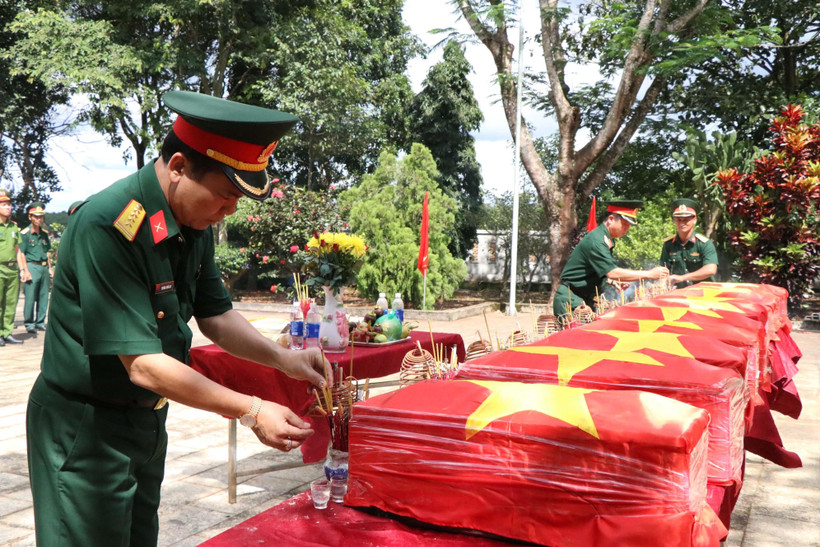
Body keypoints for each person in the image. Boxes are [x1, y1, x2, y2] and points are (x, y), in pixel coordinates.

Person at [26, 90, 331, 547]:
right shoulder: (110, 225)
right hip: (85, 431)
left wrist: (283, 359)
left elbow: (216, 316)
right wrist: (251, 409)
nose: (230, 211)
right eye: (226, 196)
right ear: (178, 168)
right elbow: (143, 363)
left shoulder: (191, 222)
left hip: (145, 423)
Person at [553, 200, 669, 319]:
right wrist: (649, 274)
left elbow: (591, 270)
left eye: (629, 226)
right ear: (611, 219)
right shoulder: (597, 241)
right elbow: (612, 272)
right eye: (624, 224)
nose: (627, 229)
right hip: (571, 299)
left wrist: (612, 282)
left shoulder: (605, 239)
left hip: (583, 299)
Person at [660, 198, 718, 288]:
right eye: (679, 219)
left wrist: (682, 278)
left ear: (694, 220)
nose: (682, 223)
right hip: (679, 293)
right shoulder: (669, 244)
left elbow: (710, 270)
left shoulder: (704, 244)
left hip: (704, 293)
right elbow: (663, 270)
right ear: (674, 221)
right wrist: (661, 284)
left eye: (686, 219)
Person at [0, 190, 31, 346]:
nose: (8, 207)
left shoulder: (13, 227)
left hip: (12, 269)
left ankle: (7, 332)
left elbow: (19, 250)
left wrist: (23, 270)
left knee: (11, 302)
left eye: (9, 204)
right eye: (4, 205)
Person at [20, 202, 53, 334]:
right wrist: (25, 270)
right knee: (30, 297)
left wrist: (50, 268)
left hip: (43, 267)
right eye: (36, 217)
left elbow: (47, 252)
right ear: (30, 217)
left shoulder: (44, 234)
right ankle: (29, 323)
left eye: (41, 217)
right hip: (31, 266)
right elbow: (21, 253)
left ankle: (40, 322)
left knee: (44, 296)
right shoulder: (25, 233)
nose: (39, 219)